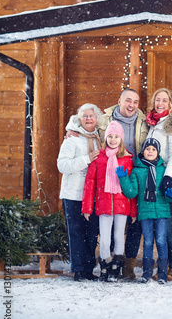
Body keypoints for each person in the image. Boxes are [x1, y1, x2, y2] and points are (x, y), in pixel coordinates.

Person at [66, 88, 148, 279]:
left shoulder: (143, 120)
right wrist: (71, 127)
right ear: (119, 100)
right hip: (105, 198)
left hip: (130, 178)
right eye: (128, 100)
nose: (132, 105)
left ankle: (124, 267)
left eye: (135, 102)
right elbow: (84, 119)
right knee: (105, 235)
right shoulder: (105, 119)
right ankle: (106, 266)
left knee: (126, 233)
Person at [116, 138, 172, 284]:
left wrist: (170, 194)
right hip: (145, 212)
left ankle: (162, 274)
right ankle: (146, 273)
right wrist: (123, 178)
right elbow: (132, 192)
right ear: (143, 151)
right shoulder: (137, 171)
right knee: (148, 241)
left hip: (162, 211)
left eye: (153, 149)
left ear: (158, 152)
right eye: (147, 149)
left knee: (162, 241)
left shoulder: (163, 169)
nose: (150, 152)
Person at [82, 121, 137, 282]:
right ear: (106, 138)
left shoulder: (126, 159)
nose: (113, 140)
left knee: (119, 237)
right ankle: (104, 268)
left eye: (116, 137)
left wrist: (133, 211)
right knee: (105, 239)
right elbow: (90, 184)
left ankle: (116, 269)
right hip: (103, 205)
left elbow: (131, 189)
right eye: (110, 136)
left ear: (121, 139)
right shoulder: (99, 158)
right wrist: (87, 208)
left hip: (122, 206)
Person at [57, 103, 102, 282]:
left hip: (93, 195)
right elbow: (62, 165)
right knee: (76, 232)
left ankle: (89, 268)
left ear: (97, 118)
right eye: (85, 116)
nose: (89, 118)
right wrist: (86, 159)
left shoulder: (100, 137)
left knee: (91, 232)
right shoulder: (72, 139)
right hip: (73, 194)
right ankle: (79, 270)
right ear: (79, 119)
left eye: (91, 116)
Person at [145, 88, 172, 281]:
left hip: (166, 179)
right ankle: (162, 264)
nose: (160, 103)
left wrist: (168, 178)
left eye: (164, 100)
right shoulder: (151, 122)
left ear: (171, 103)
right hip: (151, 179)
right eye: (157, 100)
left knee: (168, 225)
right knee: (157, 225)